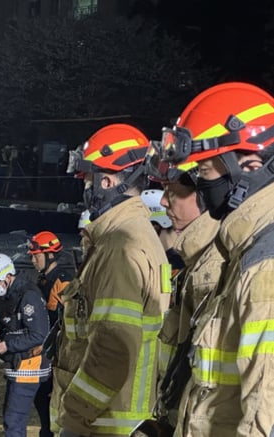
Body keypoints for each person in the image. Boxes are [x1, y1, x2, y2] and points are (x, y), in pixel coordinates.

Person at [151, 82, 274, 436]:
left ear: (250, 165)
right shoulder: (243, 252)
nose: (202, 187)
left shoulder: (265, 265)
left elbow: (263, 419)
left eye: (204, 173)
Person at [53, 124, 170, 437]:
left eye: (87, 180)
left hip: (104, 424)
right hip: (116, 420)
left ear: (106, 181)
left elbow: (112, 349)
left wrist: (74, 420)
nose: (85, 188)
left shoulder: (120, 247)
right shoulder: (133, 236)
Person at [129, 147, 222, 435]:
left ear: (204, 193)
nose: (164, 201)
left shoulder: (216, 268)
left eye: (173, 191)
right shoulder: (197, 265)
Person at [0, 253, 50, 437]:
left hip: (29, 365)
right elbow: (15, 324)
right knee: (12, 419)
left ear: (7, 277)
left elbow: (39, 334)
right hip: (20, 364)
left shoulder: (28, 296)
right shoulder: (14, 293)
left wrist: (8, 345)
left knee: (13, 422)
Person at [27, 231, 74, 437]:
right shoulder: (44, 280)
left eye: (36, 256)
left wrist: (46, 346)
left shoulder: (63, 281)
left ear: (50, 255)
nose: (33, 260)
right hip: (48, 347)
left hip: (59, 350)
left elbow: (64, 321)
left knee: (52, 394)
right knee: (41, 395)